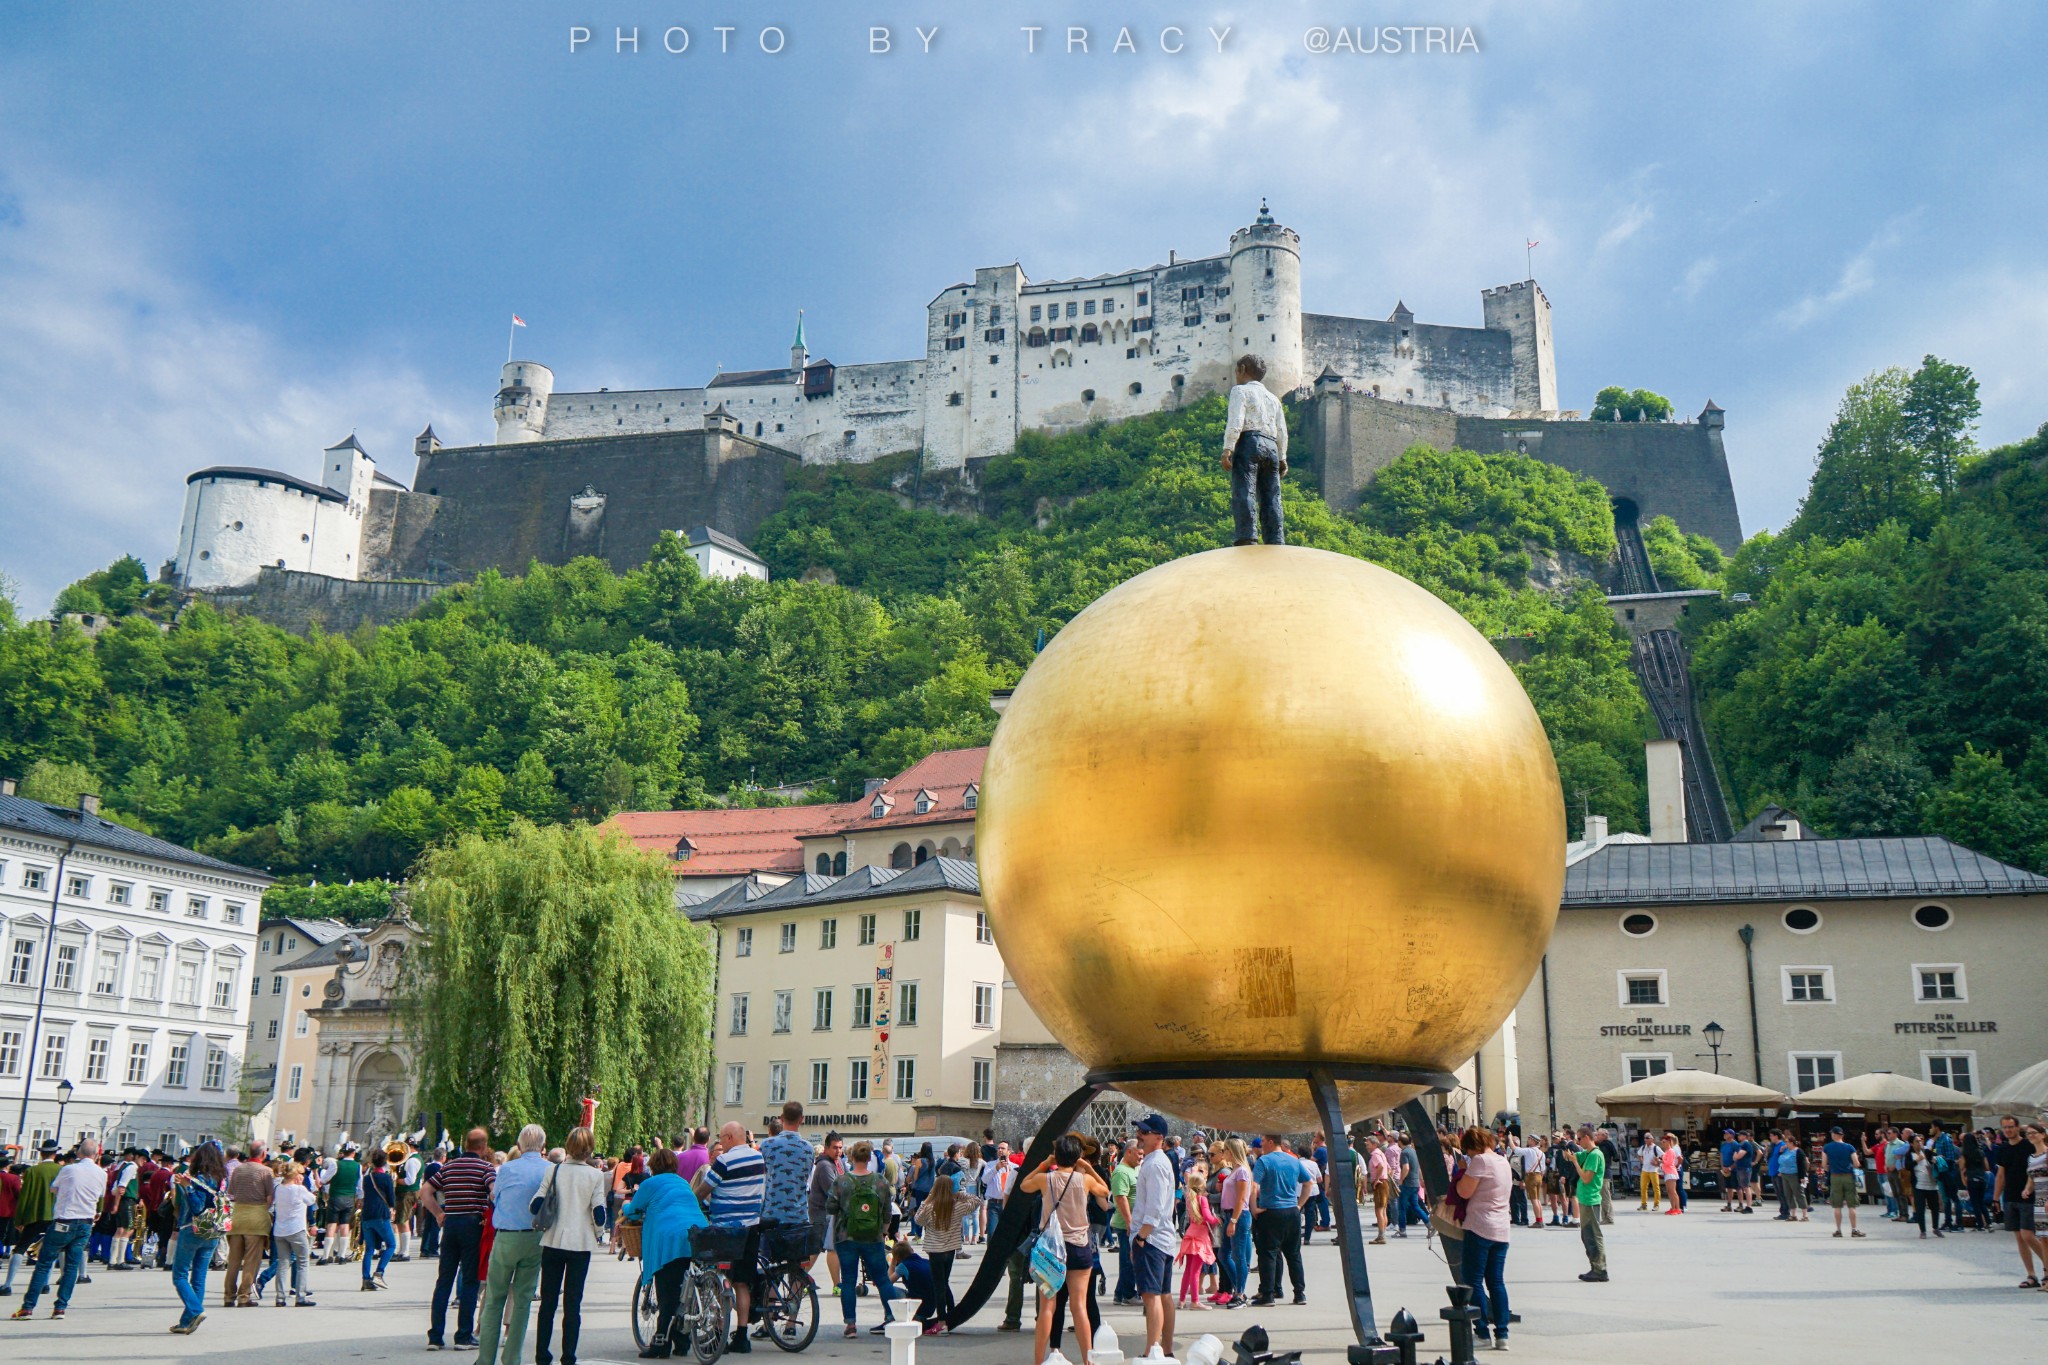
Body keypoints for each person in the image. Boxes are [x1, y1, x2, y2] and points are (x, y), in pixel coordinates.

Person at [1020, 1134, 1108, 1365]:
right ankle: (1088, 1359)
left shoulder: (1045, 1179)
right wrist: (1088, 1168)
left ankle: (1039, 1360)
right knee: (1080, 1307)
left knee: (1047, 1307)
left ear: (1056, 1156)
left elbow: (1023, 1185)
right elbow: (1104, 1190)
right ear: (1078, 1157)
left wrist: (1043, 1165)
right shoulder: (1084, 1181)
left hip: (1051, 1250)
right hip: (1079, 1246)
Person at [475, 1124, 551, 1365]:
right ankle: (512, 1358)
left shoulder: (507, 1169)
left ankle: (486, 1358)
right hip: (536, 1237)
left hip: (507, 1236)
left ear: (519, 1146)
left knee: (494, 1298)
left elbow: (495, 1197)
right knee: (522, 1300)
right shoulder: (551, 1169)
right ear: (543, 1147)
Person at [8, 1138, 106, 1322]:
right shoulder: (101, 1173)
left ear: (78, 1153)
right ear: (96, 1154)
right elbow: (100, 1195)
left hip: (64, 1220)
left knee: (44, 1264)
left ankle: (28, 1308)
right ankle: (60, 1308)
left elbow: (54, 1188)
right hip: (85, 1222)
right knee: (70, 1267)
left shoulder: (68, 1169)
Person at [624, 1146, 708, 1360]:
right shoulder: (682, 1183)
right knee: (686, 1288)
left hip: (670, 1237)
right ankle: (681, 1341)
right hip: (697, 1232)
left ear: (653, 1165)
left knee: (667, 1293)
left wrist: (624, 1208)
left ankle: (661, 1341)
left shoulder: (650, 1183)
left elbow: (634, 1209)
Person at [534, 1126, 608, 1365]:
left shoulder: (553, 1170)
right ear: (590, 1149)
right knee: (573, 1304)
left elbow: (536, 1203)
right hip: (580, 1243)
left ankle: (542, 1354)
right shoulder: (595, 1175)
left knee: (548, 1302)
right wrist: (598, 1233)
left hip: (553, 1241)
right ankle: (569, 1356)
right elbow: (599, 1212)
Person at [422, 1127, 496, 1351]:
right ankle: (463, 1335)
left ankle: (435, 1336)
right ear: (482, 1147)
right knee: (470, 1280)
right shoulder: (485, 1168)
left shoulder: (449, 1167)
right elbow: (494, 1192)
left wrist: (438, 1213)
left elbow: (425, 1191)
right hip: (473, 1224)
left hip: (451, 1223)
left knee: (444, 1279)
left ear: (466, 1145)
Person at [696, 1121, 766, 1354]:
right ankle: (742, 1336)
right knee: (742, 1283)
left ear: (727, 1138)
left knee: (718, 1278)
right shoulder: (758, 1158)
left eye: (721, 1138)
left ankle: (718, 1333)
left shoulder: (724, 1161)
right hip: (751, 1228)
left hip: (725, 1231)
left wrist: (692, 1201)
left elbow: (705, 1189)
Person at [825, 1141, 901, 1339]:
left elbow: (830, 1207)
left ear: (851, 1157)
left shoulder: (841, 1181)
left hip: (845, 1237)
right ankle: (891, 1318)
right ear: (869, 1158)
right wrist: (883, 1232)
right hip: (873, 1237)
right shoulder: (881, 1181)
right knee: (882, 1279)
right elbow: (887, 1213)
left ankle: (850, 1325)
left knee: (848, 1281)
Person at [1453, 1127, 1512, 1352]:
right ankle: (1502, 1334)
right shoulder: (1502, 1161)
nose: (1468, 1154)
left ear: (1473, 1145)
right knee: (1496, 1281)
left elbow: (1464, 1192)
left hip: (1480, 1226)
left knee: (1473, 1280)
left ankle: (1482, 1331)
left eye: (1468, 1149)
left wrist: (1461, 1172)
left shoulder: (1480, 1161)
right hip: (1501, 1229)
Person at [1221, 353, 1287, 545]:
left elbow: (1236, 421)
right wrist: (1283, 457)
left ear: (1242, 370)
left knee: (1244, 490)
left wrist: (1228, 449)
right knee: (1272, 495)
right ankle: (1275, 538)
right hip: (1272, 446)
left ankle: (1247, 536)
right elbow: (1282, 430)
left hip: (1249, 442)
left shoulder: (1240, 391)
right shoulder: (1274, 399)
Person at [915, 1156, 982, 1331]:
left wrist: (928, 1198)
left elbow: (918, 1220)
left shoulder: (930, 1207)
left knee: (939, 1285)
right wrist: (959, 1194)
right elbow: (976, 1201)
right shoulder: (957, 1207)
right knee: (944, 1282)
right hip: (950, 1249)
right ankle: (951, 1313)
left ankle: (943, 1321)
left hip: (934, 1250)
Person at [167, 1142, 228, 1334]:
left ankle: (196, 1310)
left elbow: (197, 1207)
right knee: (199, 1278)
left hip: (193, 1229)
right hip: (213, 1231)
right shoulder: (222, 1179)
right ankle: (186, 1321)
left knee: (180, 1275)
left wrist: (187, 1187)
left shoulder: (199, 1179)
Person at [1251, 1133, 1306, 1306]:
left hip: (1271, 1210)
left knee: (1268, 1253)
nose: (1261, 1144)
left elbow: (1253, 1185)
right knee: (1294, 1254)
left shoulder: (1264, 1161)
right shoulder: (1293, 1160)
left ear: (1271, 1141)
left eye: (1263, 1141)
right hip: (1291, 1210)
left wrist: (1253, 1207)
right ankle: (1299, 1293)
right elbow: (1308, 1182)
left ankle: (1268, 1294)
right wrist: (1299, 1205)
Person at [1, 1140, 60, 1299]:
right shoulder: (61, 1170)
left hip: (34, 1215)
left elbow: (24, 1197)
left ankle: (8, 1284)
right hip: (55, 1215)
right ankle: (45, 1283)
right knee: (50, 1250)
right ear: (55, 1153)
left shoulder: (33, 1171)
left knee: (20, 1248)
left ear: (41, 1153)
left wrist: (19, 1220)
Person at [220, 1140, 275, 1306]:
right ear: (263, 1154)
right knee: (252, 1260)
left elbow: (231, 1193)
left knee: (234, 1260)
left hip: (238, 1216)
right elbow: (270, 1198)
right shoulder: (266, 1171)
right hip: (256, 1218)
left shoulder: (238, 1170)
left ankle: (228, 1296)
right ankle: (244, 1296)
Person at [1994, 1114, 2041, 1287]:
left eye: (2011, 1127)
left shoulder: (2029, 1146)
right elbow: (2001, 1175)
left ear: (2018, 1127)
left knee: (2027, 1234)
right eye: (2005, 1127)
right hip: (2010, 1196)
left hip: (2029, 1195)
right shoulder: (2003, 1149)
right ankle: (2031, 1275)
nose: (2008, 1130)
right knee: (2019, 1238)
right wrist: (1995, 1198)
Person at [271, 1161, 319, 1305]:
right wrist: (302, 1186)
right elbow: (312, 1200)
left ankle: (280, 1297)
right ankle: (300, 1296)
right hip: (296, 1229)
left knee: (283, 1263)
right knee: (303, 1262)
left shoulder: (278, 1188)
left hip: (280, 1230)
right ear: (296, 1175)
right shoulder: (299, 1189)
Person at [1563, 1126, 1607, 1282]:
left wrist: (1575, 1163)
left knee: (1593, 1236)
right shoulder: (1587, 1154)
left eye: (1579, 1139)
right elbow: (1569, 1156)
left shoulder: (1595, 1155)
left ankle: (1600, 1269)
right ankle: (1595, 1267)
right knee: (1587, 1236)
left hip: (1591, 1199)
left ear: (1588, 1138)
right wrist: (1566, 1146)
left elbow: (1586, 1178)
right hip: (1585, 1199)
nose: (1578, 1142)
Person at [807, 1132, 845, 1294]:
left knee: (817, 1249)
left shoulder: (837, 1163)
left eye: (840, 1148)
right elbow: (834, 1191)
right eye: (835, 1148)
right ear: (826, 1148)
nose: (838, 1151)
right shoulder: (824, 1166)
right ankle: (837, 1285)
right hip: (822, 1213)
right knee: (827, 1248)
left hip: (829, 1212)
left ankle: (798, 1281)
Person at [1176, 1172, 1217, 1311]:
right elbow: (1208, 1217)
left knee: (1188, 1270)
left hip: (1189, 1234)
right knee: (1196, 1271)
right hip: (1200, 1236)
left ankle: (1181, 1300)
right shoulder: (1202, 1199)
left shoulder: (1189, 1198)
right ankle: (1195, 1301)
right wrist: (1217, 1220)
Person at [358, 1147, 399, 1290]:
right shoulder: (386, 1178)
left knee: (369, 1250)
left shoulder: (367, 1178)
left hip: (367, 1215)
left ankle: (365, 1279)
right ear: (385, 1162)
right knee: (391, 1245)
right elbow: (390, 1197)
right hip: (380, 1214)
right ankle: (379, 1272)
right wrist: (392, 1209)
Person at [1108, 1139, 1141, 1306]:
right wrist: (1130, 1222)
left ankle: (1120, 1293)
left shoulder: (1133, 1169)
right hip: (1126, 1225)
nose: (1141, 1157)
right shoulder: (1121, 1171)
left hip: (1133, 1223)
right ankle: (1128, 1294)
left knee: (1128, 1258)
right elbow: (1120, 1198)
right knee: (1129, 1259)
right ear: (1129, 1152)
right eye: (1139, 1154)